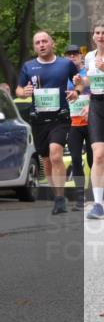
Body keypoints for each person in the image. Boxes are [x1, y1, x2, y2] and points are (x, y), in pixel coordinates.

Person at [15, 31, 83, 215]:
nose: (41, 45)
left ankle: (60, 198)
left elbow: (79, 83)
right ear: (34, 46)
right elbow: (19, 90)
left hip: (60, 117)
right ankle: (58, 196)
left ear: (51, 43)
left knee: (55, 154)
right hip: (39, 119)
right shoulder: (28, 66)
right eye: (37, 42)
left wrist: (76, 91)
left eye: (45, 41)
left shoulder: (65, 64)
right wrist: (24, 92)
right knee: (47, 161)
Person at [64, 43, 91, 208]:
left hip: (91, 122)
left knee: (93, 159)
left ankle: (97, 195)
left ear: (81, 56)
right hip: (73, 123)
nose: (72, 57)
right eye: (69, 54)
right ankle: (80, 198)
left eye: (75, 54)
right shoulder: (63, 74)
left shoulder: (87, 72)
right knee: (75, 159)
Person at [83, 20, 104, 220]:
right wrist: (80, 84)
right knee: (98, 155)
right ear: (93, 36)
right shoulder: (89, 56)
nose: (101, 36)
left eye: (103, 33)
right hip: (97, 104)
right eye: (97, 32)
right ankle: (98, 204)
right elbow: (89, 80)